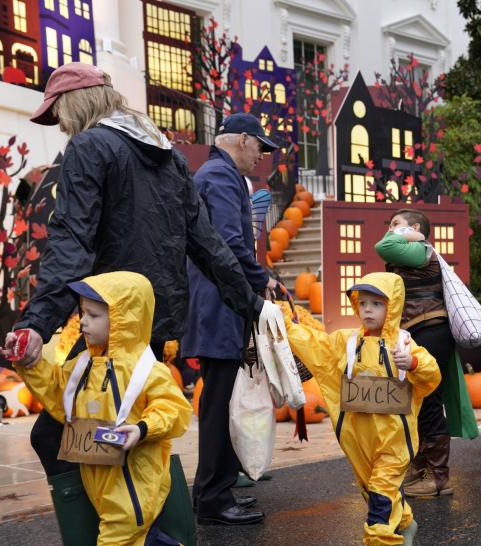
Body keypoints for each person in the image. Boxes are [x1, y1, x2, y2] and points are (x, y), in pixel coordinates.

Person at [3, 62, 265, 488]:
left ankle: (110, 521)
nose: (62, 124)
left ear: (77, 102)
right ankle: (145, 516)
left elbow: (72, 242)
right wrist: (251, 303)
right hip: (152, 322)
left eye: (60, 112)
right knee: (123, 434)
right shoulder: (169, 155)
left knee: (57, 435)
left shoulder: (89, 147)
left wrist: (37, 322)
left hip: (110, 322)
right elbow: (207, 243)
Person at [2, 272, 192, 545]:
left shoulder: (148, 371)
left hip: (134, 488)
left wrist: (143, 428)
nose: (82, 321)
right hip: (100, 482)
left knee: (118, 536)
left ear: (123, 319)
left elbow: (173, 408)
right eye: (83, 312)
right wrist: (29, 364)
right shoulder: (83, 364)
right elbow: (57, 392)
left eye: (93, 315)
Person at [277, 272, 440, 545]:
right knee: (373, 489)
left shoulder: (403, 344)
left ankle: (381, 539)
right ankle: (405, 523)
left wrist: (412, 364)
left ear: (392, 307)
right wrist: (283, 322)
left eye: (376, 304)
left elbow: (432, 375)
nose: (367, 309)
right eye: (362, 303)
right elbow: (315, 344)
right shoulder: (346, 343)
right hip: (359, 440)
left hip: (394, 441)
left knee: (381, 492)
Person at [180, 113, 279, 526]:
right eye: (260, 146)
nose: (262, 155)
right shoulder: (221, 177)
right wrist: (262, 280)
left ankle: (210, 492)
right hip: (220, 303)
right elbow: (229, 243)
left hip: (215, 302)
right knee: (220, 405)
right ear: (242, 139)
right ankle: (213, 500)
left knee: (217, 402)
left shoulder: (214, 174)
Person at [375, 209, 455, 497]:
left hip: (431, 328)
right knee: (415, 403)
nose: (390, 229)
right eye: (389, 224)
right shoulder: (408, 254)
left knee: (429, 401)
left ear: (416, 228)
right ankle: (420, 467)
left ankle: (438, 476)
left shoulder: (421, 250)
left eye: (396, 224)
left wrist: (408, 235)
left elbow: (383, 245)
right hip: (414, 332)